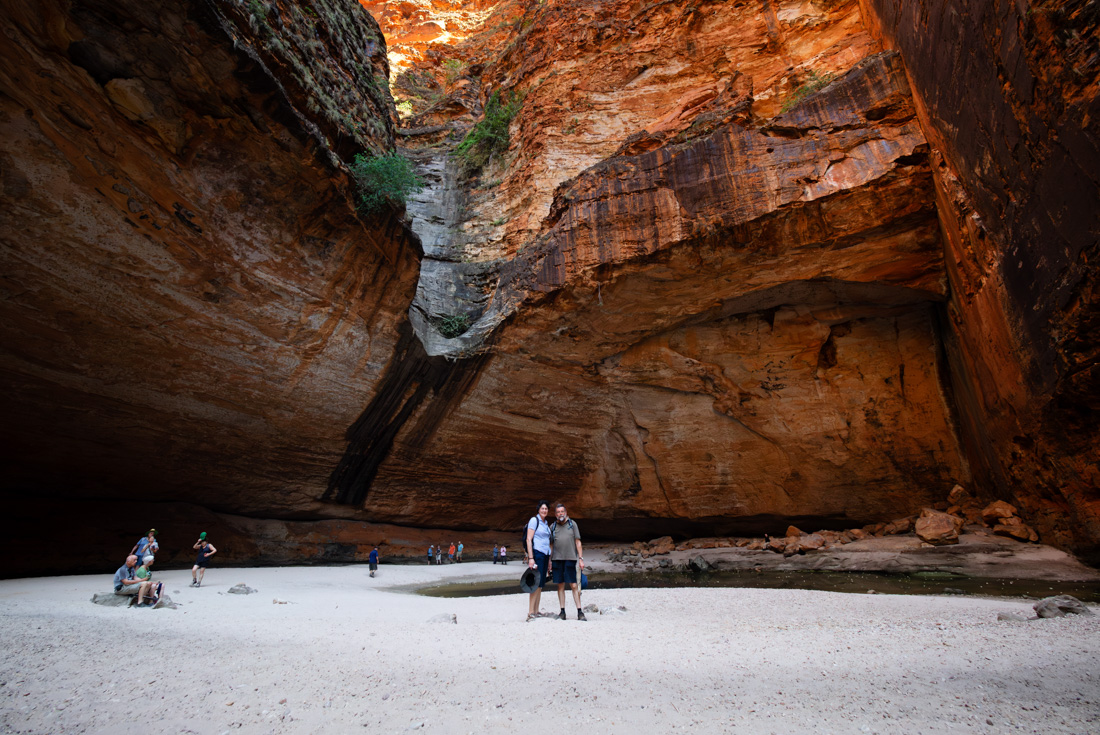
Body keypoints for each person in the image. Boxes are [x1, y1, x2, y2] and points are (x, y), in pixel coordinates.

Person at [549, 503, 586, 621]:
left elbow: (578, 542)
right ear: (555, 514)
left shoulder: (572, 524)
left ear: (565, 512)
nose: (560, 513)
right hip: (556, 559)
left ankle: (580, 612)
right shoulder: (553, 526)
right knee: (560, 585)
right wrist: (549, 560)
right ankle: (562, 612)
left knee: (574, 585)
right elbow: (550, 544)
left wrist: (580, 558)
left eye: (562, 511)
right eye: (558, 512)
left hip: (570, 558)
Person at [525, 501, 552, 622]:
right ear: (538, 509)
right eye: (542, 508)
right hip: (537, 554)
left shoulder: (546, 523)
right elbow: (528, 539)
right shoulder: (534, 521)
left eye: (546, 509)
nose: (544, 510)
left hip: (545, 555)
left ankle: (536, 611)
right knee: (535, 583)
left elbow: (547, 542)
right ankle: (530, 612)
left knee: (540, 583)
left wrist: (549, 560)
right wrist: (531, 558)